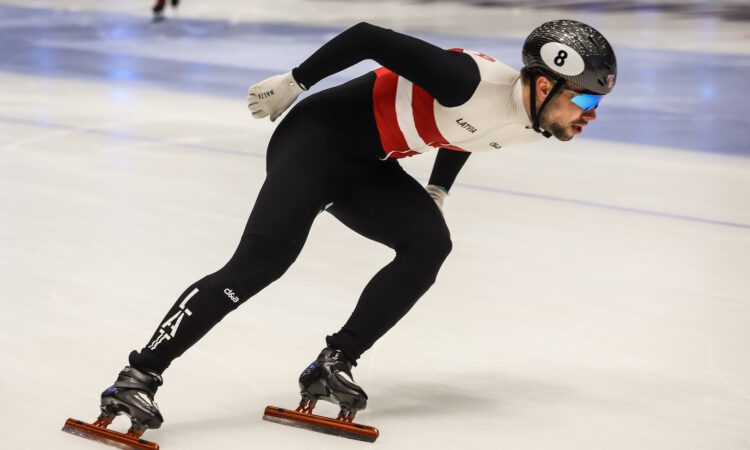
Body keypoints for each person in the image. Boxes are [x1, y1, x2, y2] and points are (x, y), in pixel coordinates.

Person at [97, 19, 617, 437]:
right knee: (262, 263)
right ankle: (138, 375)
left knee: (429, 245)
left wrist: (438, 190)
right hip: (316, 141)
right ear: (544, 84)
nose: (591, 115)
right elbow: (369, 37)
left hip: (371, 163)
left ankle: (333, 363)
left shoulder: (536, 124)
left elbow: (471, 134)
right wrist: (295, 81)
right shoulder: (468, 79)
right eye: (587, 101)